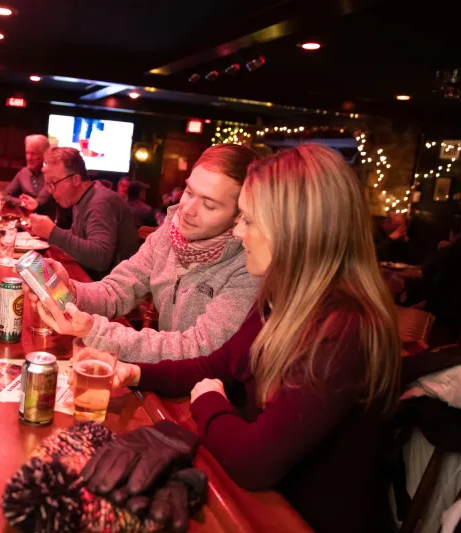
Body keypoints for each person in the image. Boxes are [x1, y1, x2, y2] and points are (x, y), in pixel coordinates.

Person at [102, 143, 401, 533]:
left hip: (297, 517)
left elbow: (253, 461)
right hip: (255, 501)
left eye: (250, 221)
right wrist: (134, 373)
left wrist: (209, 400)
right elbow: (215, 364)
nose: (239, 234)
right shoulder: (288, 297)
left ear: (296, 232)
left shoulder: (345, 330)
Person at [29, 144, 260, 363]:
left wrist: (96, 332)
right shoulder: (170, 232)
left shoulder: (250, 264)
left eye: (209, 205)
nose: (187, 210)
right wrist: (71, 291)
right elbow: (116, 290)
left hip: (213, 392)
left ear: (240, 215)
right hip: (167, 377)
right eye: (189, 192)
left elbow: (199, 348)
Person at [28, 147, 138, 280]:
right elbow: (79, 238)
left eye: (53, 183)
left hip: (113, 289)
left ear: (75, 180)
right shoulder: (85, 197)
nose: (51, 191)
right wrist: (44, 232)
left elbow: (101, 258)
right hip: (94, 281)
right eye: (48, 185)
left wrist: (53, 233)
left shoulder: (99, 203)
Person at [3, 134, 52, 212]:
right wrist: (22, 202)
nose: (29, 158)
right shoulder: (23, 172)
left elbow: (40, 202)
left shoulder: (51, 174)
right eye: (27, 153)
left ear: (44, 155)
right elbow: (4, 196)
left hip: (47, 221)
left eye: (33, 154)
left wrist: (25, 203)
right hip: (26, 219)